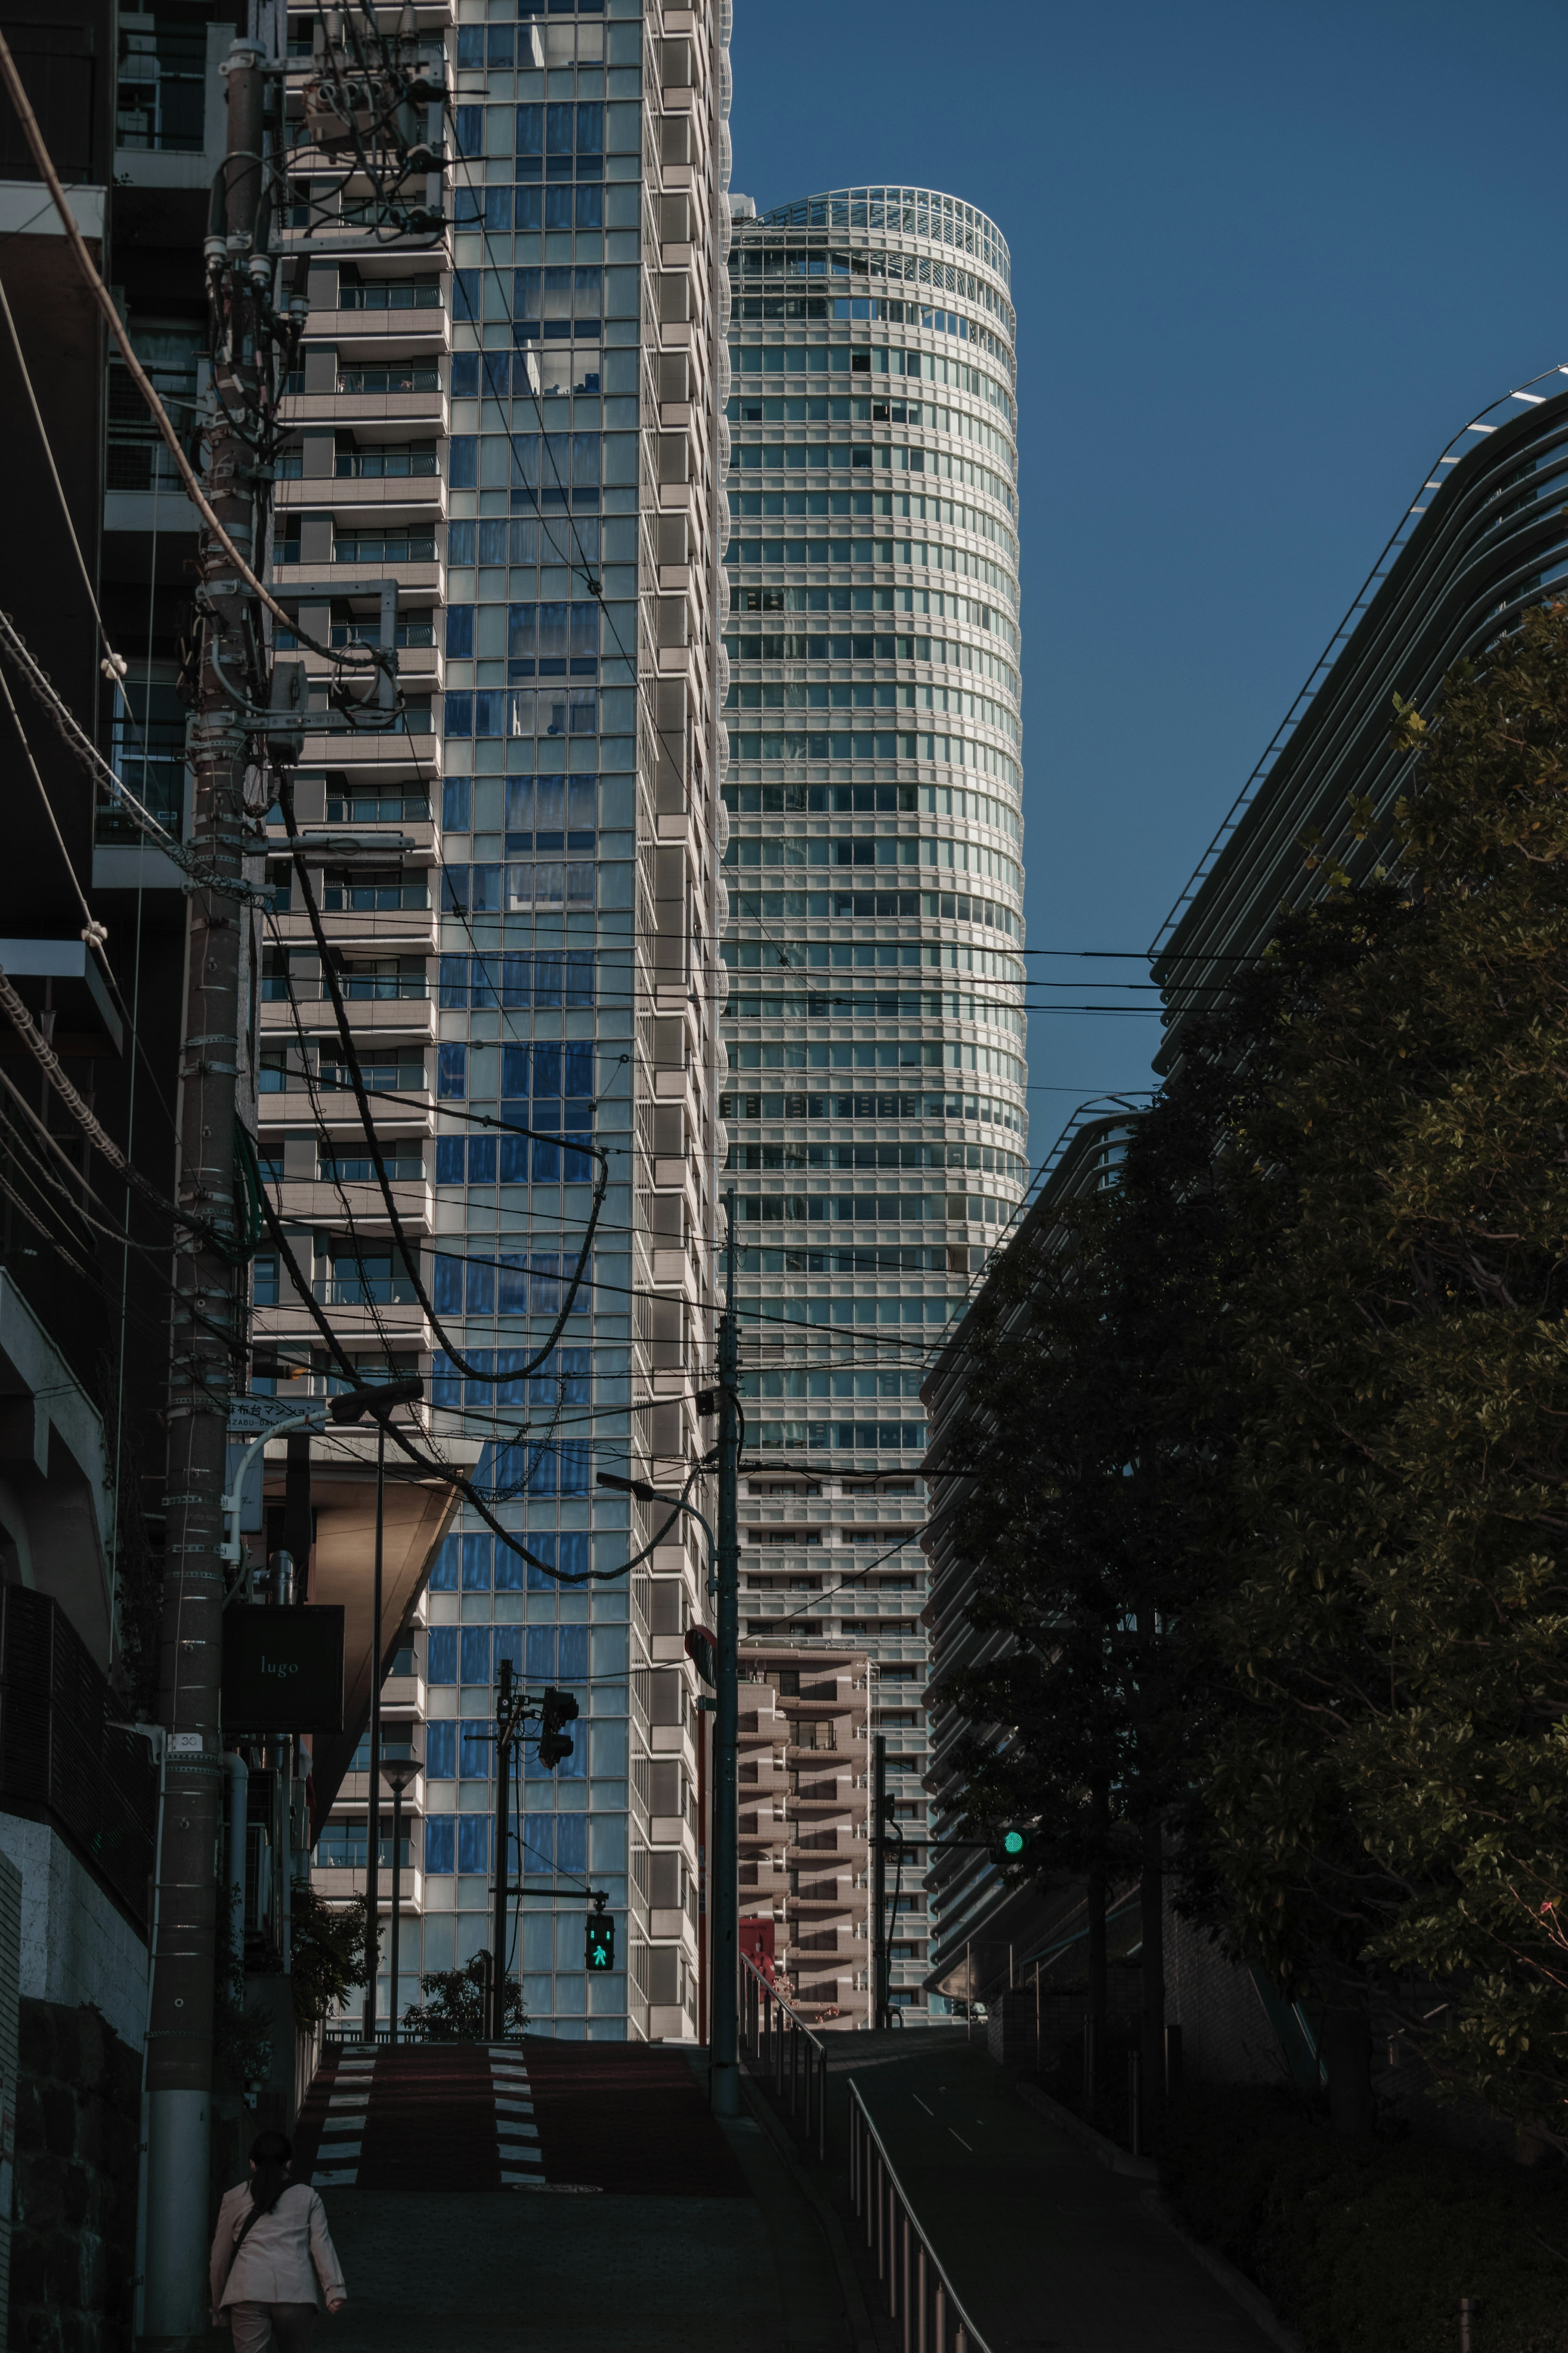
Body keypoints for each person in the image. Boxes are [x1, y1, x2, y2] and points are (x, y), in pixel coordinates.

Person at [209, 2129, 347, 2353]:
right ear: (290, 2164)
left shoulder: (233, 2198)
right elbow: (321, 2244)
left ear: (252, 2164)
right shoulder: (309, 2197)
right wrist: (334, 2289)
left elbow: (219, 2259)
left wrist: (218, 2307)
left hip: (247, 2291)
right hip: (296, 2293)